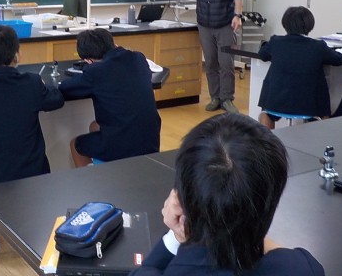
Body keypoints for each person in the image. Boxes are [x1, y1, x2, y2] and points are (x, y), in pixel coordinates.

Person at [130, 112, 325, 276]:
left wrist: (177, 235)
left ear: (182, 199)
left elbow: (148, 268)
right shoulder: (302, 268)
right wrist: (245, 230)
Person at [0, 24, 64, 259]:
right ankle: (38, 234)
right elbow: (55, 100)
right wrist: (47, 86)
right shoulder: (32, 83)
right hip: (32, 169)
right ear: (18, 54)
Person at [143, 0, 244, 113]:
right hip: (204, 23)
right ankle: (215, 97)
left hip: (225, 23)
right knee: (210, 62)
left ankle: (227, 99)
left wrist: (238, 15)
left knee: (226, 63)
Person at [59, 28, 161, 167]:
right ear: (112, 43)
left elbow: (65, 88)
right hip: (151, 139)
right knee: (94, 126)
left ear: (88, 60)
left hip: (124, 144)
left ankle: (92, 178)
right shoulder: (138, 58)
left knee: (76, 145)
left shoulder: (96, 71)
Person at [257, 6, 342, 129]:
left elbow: (263, 54)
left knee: (266, 113)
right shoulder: (318, 46)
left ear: (285, 24)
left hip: (275, 104)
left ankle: (266, 139)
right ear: (310, 25)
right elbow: (339, 59)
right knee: (322, 102)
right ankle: (323, 135)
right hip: (309, 106)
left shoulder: (276, 41)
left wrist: (265, 44)